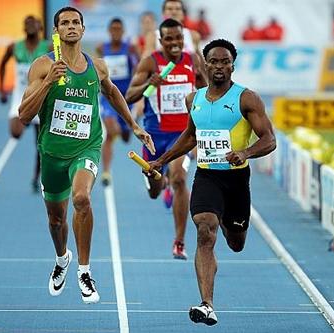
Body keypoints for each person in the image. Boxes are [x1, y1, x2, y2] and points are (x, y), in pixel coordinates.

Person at [18, 7, 155, 304]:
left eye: (75, 22)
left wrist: (132, 124)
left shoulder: (98, 66)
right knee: (56, 221)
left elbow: (112, 93)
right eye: (64, 22)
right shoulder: (43, 66)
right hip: (53, 153)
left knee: (81, 199)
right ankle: (62, 259)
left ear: (82, 30)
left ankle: (84, 270)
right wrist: (47, 83)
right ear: (56, 32)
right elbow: (24, 115)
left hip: (86, 146)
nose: (70, 26)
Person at [146, 39, 276, 326]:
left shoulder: (247, 98)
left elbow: (269, 140)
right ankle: (207, 304)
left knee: (236, 242)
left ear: (232, 64)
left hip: (236, 180)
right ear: (205, 64)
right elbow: (190, 137)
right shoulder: (194, 99)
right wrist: (162, 160)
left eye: (224, 61)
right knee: (205, 229)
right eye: (213, 61)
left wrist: (245, 152)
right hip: (207, 176)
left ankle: (233, 225)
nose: (219, 66)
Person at [125, 18, 206, 260]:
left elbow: (207, 89)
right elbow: (128, 96)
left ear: (184, 38)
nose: (174, 43)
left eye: (178, 38)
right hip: (154, 139)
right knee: (154, 190)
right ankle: (160, 183)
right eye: (169, 38)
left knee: (180, 178)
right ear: (161, 41)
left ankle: (179, 242)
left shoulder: (192, 60)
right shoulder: (151, 62)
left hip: (182, 137)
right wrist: (149, 84)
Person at [0, 15, 49, 192]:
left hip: (40, 97)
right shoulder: (14, 47)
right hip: (20, 96)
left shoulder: (47, 47)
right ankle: (25, 121)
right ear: (23, 27)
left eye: (33, 23)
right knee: (15, 133)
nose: (30, 25)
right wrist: (2, 89)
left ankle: (37, 177)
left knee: (40, 144)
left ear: (40, 27)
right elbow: (2, 64)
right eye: (26, 23)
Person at [96, 18, 139, 186]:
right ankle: (106, 172)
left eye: (119, 29)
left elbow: (139, 68)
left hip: (127, 97)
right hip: (108, 96)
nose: (115, 32)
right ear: (109, 31)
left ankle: (124, 129)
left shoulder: (130, 48)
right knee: (110, 131)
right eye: (113, 29)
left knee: (126, 136)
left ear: (123, 31)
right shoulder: (102, 48)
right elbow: (98, 67)